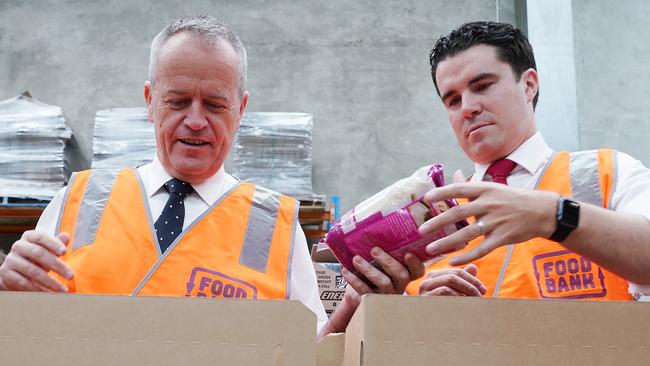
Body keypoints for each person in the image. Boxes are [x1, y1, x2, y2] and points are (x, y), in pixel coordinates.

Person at [0, 15, 336, 331]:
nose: (195, 120)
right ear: (150, 101)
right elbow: (28, 331)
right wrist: (9, 294)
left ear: (241, 109)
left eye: (215, 105)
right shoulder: (76, 202)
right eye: (177, 101)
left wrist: (364, 305)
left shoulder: (274, 226)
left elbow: (314, 347)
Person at [408, 21, 650, 300]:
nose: (467, 108)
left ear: (528, 85)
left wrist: (553, 215)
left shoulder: (604, 173)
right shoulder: (433, 218)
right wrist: (419, 313)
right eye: (452, 100)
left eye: (483, 86)